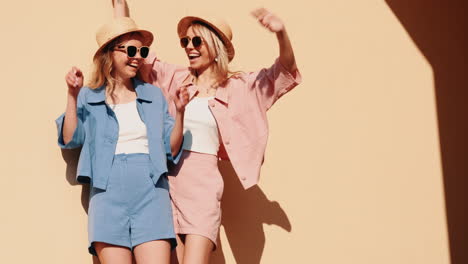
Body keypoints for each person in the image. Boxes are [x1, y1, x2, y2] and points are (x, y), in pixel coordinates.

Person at [111, 1, 302, 263]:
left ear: (215, 46)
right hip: (165, 183)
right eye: (185, 42)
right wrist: (120, 9)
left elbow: (282, 73)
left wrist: (281, 33)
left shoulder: (239, 87)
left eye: (197, 41)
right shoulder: (175, 78)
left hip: (203, 185)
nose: (189, 47)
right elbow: (135, 53)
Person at [56, 17, 189, 264]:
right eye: (130, 50)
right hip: (107, 194)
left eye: (142, 51)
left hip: (151, 190)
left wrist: (180, 112)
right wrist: (73, 96)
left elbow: (170, 149)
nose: (137, 57)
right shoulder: (89, 95)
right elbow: (70, 138)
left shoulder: (152, 95)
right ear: (110, 53)